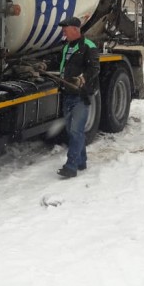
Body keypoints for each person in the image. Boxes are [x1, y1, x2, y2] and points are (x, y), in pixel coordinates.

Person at [56, 16, 100, 179]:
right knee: (72, 130)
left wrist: (83, 78)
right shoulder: (66, 47)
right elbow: (62, 66)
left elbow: (94, 68)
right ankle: (81, 161)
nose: (63, 32)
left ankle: (71, 166)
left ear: (75, 30)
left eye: (65, 30)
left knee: (75, 131)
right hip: (67, 93)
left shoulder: (88, 46)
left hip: (81, 95)